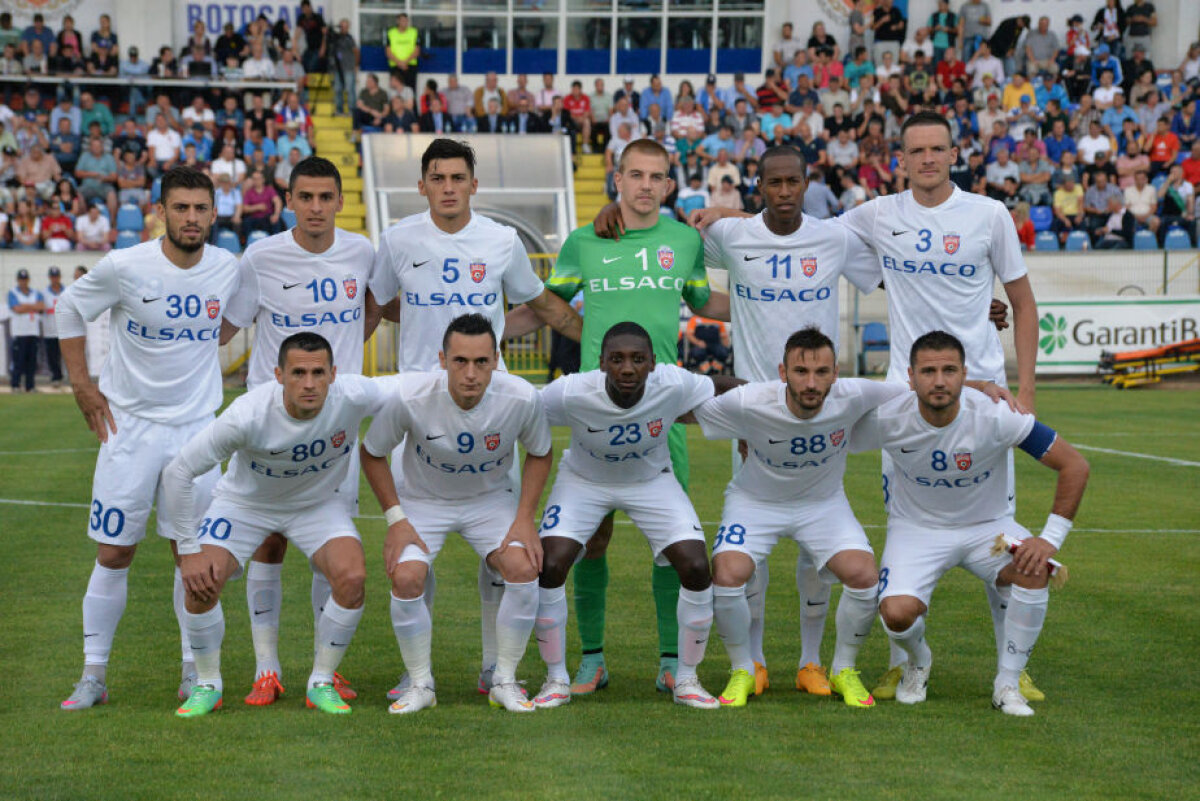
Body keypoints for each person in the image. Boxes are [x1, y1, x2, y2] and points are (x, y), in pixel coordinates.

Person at [505, 139, 727, 696]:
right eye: (636, 175)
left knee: (669, 547)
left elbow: (706, 304)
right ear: (618, 179)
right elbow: (545, 305)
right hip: (594, 410)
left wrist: (774, 294)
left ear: (669, 186)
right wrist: (481, 337)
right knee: (592, 540)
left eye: (657, 177)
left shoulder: (684, 240)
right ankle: (592, 660)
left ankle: (672, 661)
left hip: (662, 412)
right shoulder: (586, 241)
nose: (646, 186)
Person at [834, 111, 1041, 701]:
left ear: (955, 154)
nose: (927, 158)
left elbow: (1022, 304)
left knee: (995, 531)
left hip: (984, 397)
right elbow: (806, 230)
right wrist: (727, 219)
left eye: (937, 148)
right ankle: (906, 658)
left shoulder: (988, 215)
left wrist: (1025, 391)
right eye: (916, 150)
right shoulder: (878, 214)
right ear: (900, 159)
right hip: (906, 400)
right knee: (908, 518)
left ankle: (1014, 666)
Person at [365, 139, 581, 700]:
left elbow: (539, 305)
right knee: (415, 554)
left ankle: (494, 666)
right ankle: (416, 672)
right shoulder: (397, 239)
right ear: (422, 186)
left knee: (502, 548)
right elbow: (378, 305)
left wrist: (595, 336)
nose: (448, 187)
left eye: (458, 177)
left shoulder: (502, 240)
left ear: (474, 184)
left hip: (485, 396)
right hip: (416, 398)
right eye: (437, 178)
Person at [55, 167, 253, 711]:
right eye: (180, 207)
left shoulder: (227, 268)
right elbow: (68, 307)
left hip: (197, 431)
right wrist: (82, 385)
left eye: (200, 209)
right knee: (115, 552)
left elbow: (233, 320)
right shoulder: (126, 265)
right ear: (160, 211)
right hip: (131, 428)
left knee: (194, 557)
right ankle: (93, 675)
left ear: (215, 214)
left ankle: (195, 671)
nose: (191, 218)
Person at [852, 330, 1089, 716]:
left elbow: (1074, 464)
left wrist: (1049, 539)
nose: (940, 380)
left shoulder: (996, 414)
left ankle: (1007, 684)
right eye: (928, 371)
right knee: (895, 613)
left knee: (1036, 567)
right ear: (910, 377)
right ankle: (918, 661)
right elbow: (823, 431)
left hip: (989, 528)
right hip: (916, 529)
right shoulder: (887, 417)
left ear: (965, 374)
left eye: (949, 370)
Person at [214, 156, 377, 706]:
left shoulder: (362, 252)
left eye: (324, 197)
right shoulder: (260, 257)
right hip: (270, 425)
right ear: (289, 200)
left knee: (327, 544)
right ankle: (267, 668)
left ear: (339, 201)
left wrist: (345, 368)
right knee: (269, 544)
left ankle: (322, 669)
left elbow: (371, 310)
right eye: (304, 197)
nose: (314, 207)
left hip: (334, 427)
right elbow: (227, 328)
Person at [163, 333, 385, 717]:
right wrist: (188, 550)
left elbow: (415, 390)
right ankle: (207, 684)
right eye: (298, 373)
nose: (309, 383)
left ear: (334, 374)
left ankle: (321, 681)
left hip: (316, 505)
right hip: (245, 504)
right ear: (279, 374)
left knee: (352, 578)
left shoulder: (354, 395)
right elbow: (178, 472)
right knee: (201, 583)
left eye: (318, 373)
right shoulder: (247, 414)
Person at [695, 327, 907, 707]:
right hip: (755, 503)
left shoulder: (855, 393)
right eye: (801, 372)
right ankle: (743, 669)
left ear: (835, 373)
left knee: (863, 575)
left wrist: (984, 387)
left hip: (823, 504)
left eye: (821, 372)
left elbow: (920, 389)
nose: (811, 383)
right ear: (782, 372)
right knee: (727, 574)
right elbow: (686, 406)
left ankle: (842, 669)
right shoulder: (750, 401)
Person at [531, 322, 739, 711]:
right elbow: (523, 411)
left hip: (650, 481)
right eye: (617, 359)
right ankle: (556, 678)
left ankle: (685, 678)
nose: (627, 368)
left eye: (638, 359)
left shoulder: (673, 384)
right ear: (602, 363)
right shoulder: (572, 390)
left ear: (653, 364)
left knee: (695, 566)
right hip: (583, 481)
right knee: (551, 563)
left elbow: (726, 385)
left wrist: (770, 407)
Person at [360, 314, 553, 714]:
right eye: (460, 361)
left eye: (481, 362)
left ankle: (504, 679)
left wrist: (524, 518)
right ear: (442, 359)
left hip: (490, 501)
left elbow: (540, 451)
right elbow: (372, 452)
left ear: (496, 360)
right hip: (423, 502)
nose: (470, 373)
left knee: (523, 567)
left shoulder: (521, 398)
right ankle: (420, 684)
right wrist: (396, 520)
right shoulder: (411, 397)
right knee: (407, 575)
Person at [8, 268, 43, 392]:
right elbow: (16, 309)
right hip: (19, 332)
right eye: (21, 279)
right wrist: (32, 307)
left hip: (33, 331)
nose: (23, 282)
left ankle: (30, 386)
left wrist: (25, 306)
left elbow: (41, 306)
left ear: (28, 280)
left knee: (31, 362)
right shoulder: (13, 293)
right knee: (18, 361)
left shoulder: (35, 292)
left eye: (25, 279)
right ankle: (15, 385)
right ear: (18, 280)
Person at [385, 13, 419, 91]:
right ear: (398, 21)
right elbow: (388, 52)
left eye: (406, 21)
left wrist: (405, 62)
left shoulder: (414, 32)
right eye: (403, 21)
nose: (405, 23)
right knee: (395, 90)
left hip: (410, 65)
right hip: (395, 66)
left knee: (410, 90)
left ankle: (410, 103)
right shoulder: (391, 33)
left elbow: (417, 51)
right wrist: (399, 63)